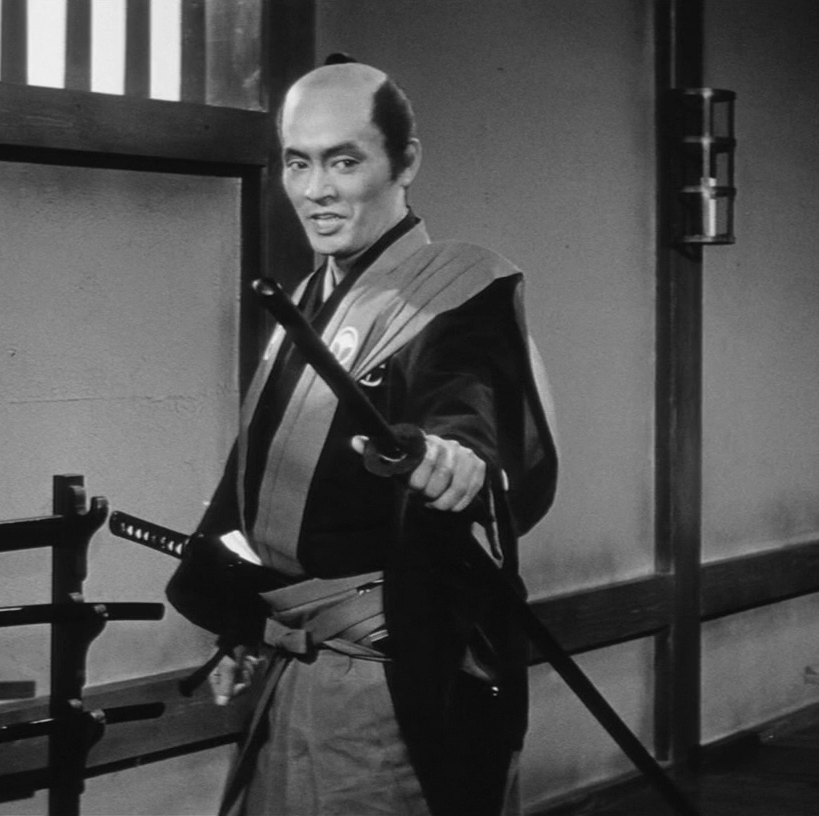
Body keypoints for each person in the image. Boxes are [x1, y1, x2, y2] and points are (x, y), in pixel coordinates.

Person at [166, 55, 558, 816]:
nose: (316, 189)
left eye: (345, 162)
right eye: (298, 163)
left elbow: (466, 406)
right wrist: (239, 614)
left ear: (405, 162)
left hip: (381, 679)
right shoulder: (309, 298)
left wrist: (456, 460)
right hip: (293, 660)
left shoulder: (456, 292)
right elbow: (256, 482)